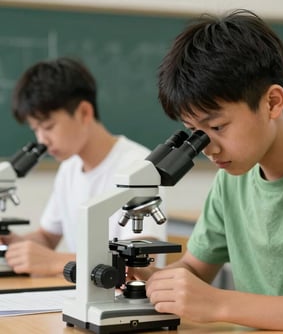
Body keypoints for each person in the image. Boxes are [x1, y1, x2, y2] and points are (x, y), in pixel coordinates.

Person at [130, 9, 283, 333]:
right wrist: (154, 281)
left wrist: (218, 303)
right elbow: (194, 269)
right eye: (194, 132)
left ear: (272, 102)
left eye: (216, 126)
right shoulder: (231, 180)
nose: (208, 148)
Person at [0, 57, 167, 276]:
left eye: (48, 126)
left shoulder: (138, 168)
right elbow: (48, 238)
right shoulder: (69, 168)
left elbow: (140, 263)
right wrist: (12, 242)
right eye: (35, 129)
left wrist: (55, 262)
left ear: (84, 112)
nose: (42, 140)